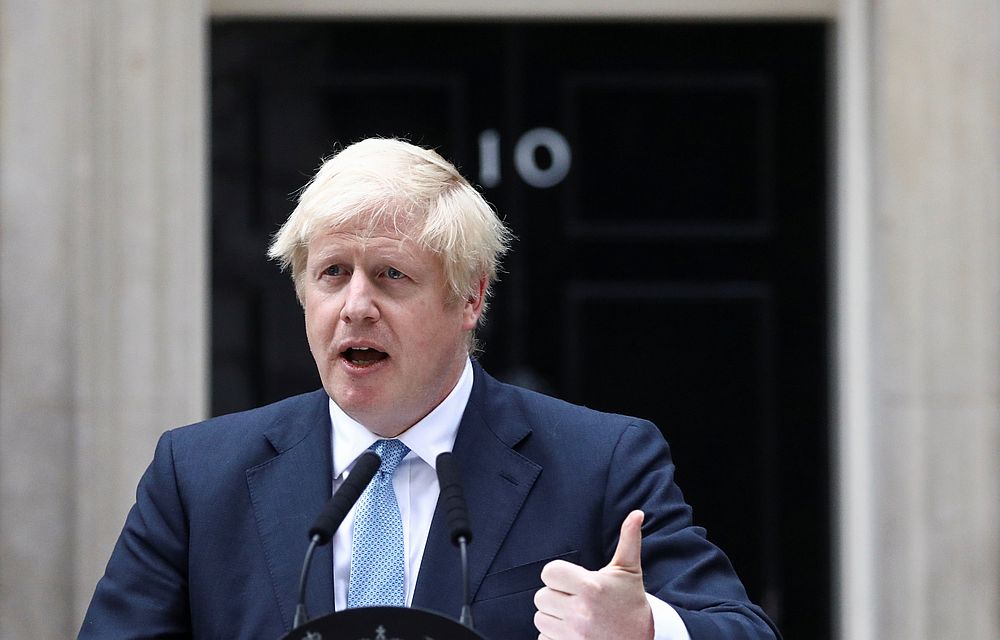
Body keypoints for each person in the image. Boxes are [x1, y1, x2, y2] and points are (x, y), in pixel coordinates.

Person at [80, 138, 780, 639]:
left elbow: (742, 630)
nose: (355, 305)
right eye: (331, 274)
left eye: (390, 275)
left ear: (471, 298)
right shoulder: (198, 475)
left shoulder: (599, 463)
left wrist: (650, 632)